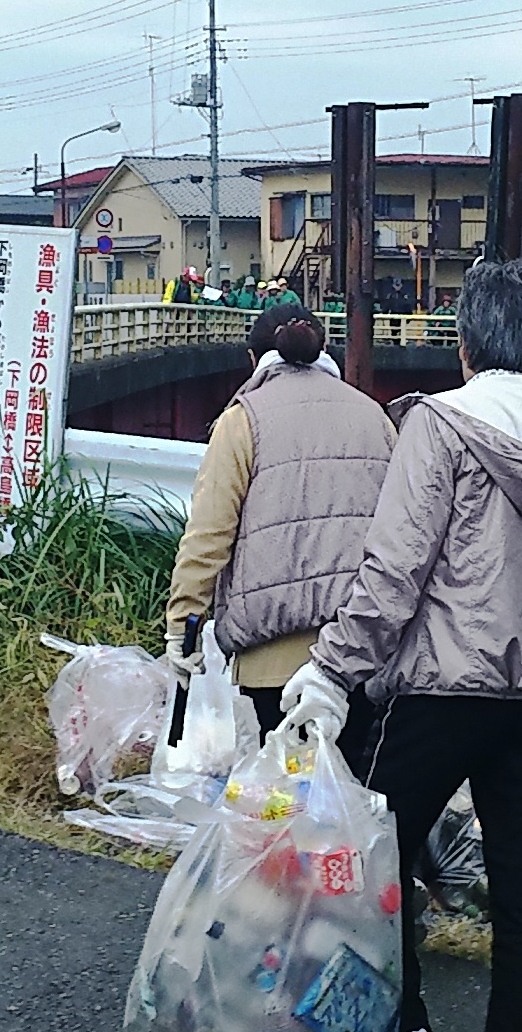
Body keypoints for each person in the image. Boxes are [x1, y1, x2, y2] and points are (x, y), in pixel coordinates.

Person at [282, 258, 522, 1032]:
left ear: (465, 343)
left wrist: (331, 668)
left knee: (368, 855)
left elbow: (395, 570)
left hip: (439, 688)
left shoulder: (440, 426)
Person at [162, 300, 394, 758]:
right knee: (347, 798)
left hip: (273, 659)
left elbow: (209, 534)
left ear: (254, 359)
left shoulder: (243, 419)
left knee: (282, 802)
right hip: (361, 654)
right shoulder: (374, 416)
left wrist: (182, 624)